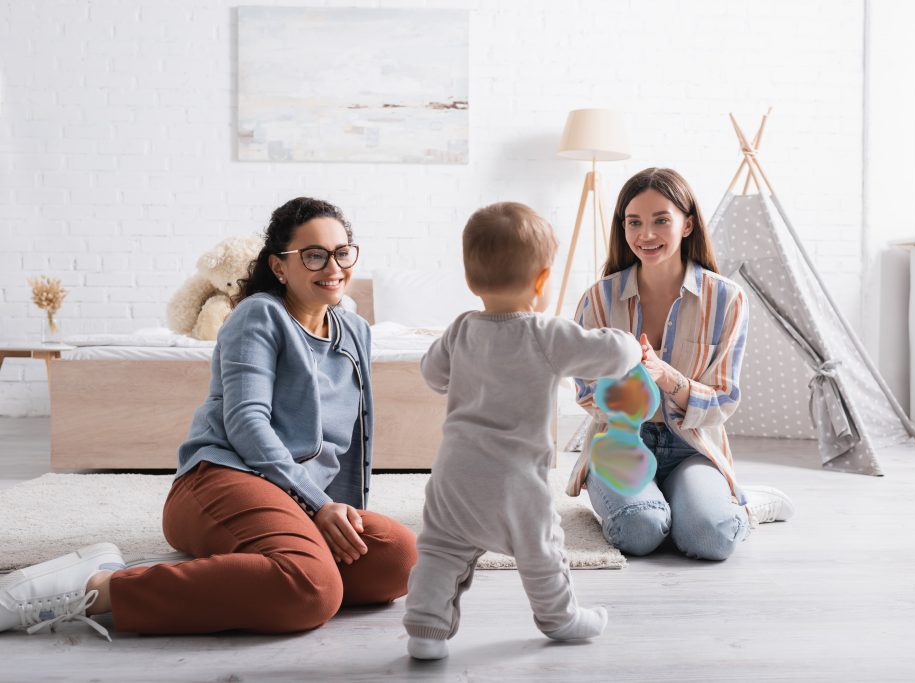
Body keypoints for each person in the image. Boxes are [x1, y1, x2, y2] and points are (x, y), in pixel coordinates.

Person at [0, 197, 417, 640]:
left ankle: (248, 571)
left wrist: (338, 515)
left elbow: (355, 438)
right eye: (313, 255)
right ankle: (99, 586)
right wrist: (316, 504)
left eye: (342, 252)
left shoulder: (355, 332)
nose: (333, 266)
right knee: (312, 589)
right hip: (219, 477)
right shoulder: (260, 315)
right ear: (280, 267)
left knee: (396, 560)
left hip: (296, 497)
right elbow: (246, 423)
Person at [402, 202, 643, 660]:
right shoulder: (546, 334)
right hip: (517, 480)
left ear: (473, 281)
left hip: (454, 474)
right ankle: (560, 618)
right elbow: (611, 353)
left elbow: (432, 373)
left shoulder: (460, 331)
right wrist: (631, 343)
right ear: (541, 281)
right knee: (542, 550)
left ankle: (425, 629)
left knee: (440, 550)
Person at [568, 168, 795, 562]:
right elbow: (586, 390)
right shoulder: (600, 299)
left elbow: (725, 399)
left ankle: (742, 506)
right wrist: (628, 394)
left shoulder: (727, 299)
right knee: (640, 530)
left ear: (687, 224)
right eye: (634, 222)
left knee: (710, 538)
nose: (646, 235)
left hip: (693, 445)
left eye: (661, 220)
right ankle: (658, 506)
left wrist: (668, 378)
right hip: (621, 442)